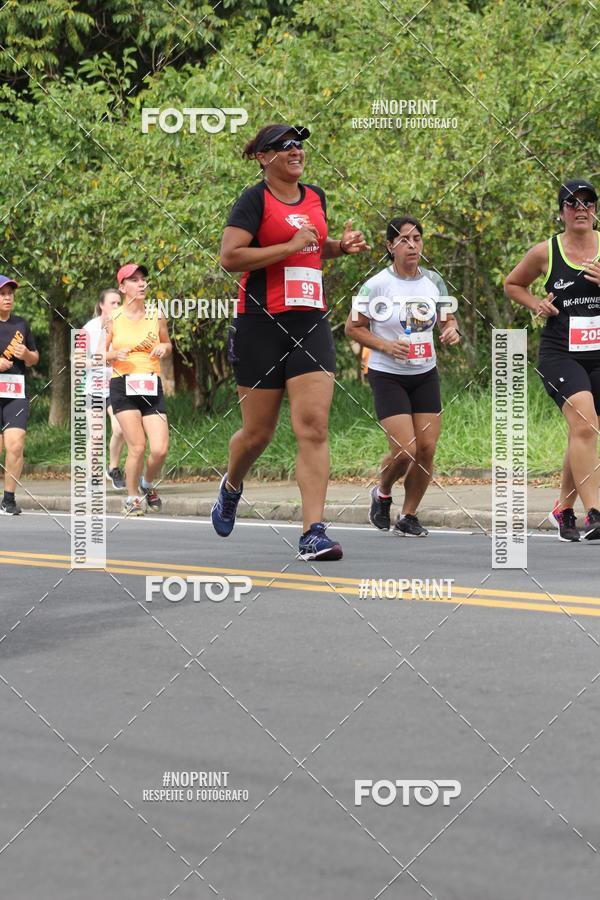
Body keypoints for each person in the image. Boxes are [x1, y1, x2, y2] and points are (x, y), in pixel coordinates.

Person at [213, 122, 369, 560]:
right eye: (284, 146)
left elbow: (313, 246)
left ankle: (313, 532)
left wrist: (340, 246)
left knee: (314, 426)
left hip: (309, 323)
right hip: (260, 324)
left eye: (299, 144)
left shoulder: (315, 196)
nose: (296, 151)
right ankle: (231, 485)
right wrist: (287, 245)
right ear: (264, 158)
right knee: (257, 434)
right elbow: (230, 257)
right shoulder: (253, 200)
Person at [345, 216, 460, 536]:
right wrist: (385, 345)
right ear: (390, 246)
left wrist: (451, 330)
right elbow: (352, 327)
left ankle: (408, 516)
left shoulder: (434, 282)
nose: (412, 245)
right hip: (388, 375)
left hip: (425, 373)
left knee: (426, 449)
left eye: (417, 239)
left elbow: (448, 320)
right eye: (405, 240)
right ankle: (381, 493)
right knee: (405, 450)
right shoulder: (377, 284)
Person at [505, 178, 600, 542]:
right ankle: (594, 512)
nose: (581, 209)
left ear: (594, 209)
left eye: (587, 202)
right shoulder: (545, 252)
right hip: (561, 354)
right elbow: (513, 284)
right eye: (572, 203)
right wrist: (536, 304)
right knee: (585, 425)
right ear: (561, 212)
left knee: (585, 432)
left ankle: (563, 508)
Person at [106, 264, 171, 516]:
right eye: (134, 280)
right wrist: (113, 353)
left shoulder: (157, 314)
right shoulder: (113, 318)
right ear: (122, 288)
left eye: (143, 279)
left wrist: (164, 349)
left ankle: (146, 483)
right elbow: (99, 353)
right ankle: (132, 497)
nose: (141, 284)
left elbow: (167, 343)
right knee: (137, 447)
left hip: (150, 383)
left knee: (160, 449)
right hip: (123, 384)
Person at [0, 275, 39, 515]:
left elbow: (35, 359)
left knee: (15, 445)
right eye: (2, 294)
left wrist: (26, 354)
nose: (7, 298)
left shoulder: (21, 325)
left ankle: (9, 499)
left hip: (16, 392)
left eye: (10, 294)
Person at [83, 288, 126, 490]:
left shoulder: (124, 327)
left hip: (116, 386)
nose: (117, 306)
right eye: (113, 303)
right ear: (101, 305)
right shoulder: (88, 328)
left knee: (120, 429)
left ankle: (113, 468)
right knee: (97, 435)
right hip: (94, 388)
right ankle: (94, 475)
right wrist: (101, 361)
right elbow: (77, 360)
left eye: (119, 303)